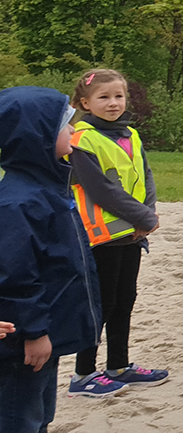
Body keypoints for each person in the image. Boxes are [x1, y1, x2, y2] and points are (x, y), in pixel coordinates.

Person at [0, 86, 101, 432]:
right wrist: (33, 331)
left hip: (49, 329)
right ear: (36, 135)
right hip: (24, 341)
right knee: (18, 417)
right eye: (65, 124)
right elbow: (15, 275)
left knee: (41, 414)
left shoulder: (50, 188)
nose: (73, 130)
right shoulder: (18, 202)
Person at [66, 69, 168, 397]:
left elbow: (145, 176)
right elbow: (101, 189)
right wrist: (142, 217)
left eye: (118, 96)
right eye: (104, 97)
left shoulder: (131, 135)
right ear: (85, 102)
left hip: (132, 233)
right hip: (102, 236)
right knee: (102, 303)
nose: (113, 103)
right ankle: (83, 375)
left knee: (126, 299)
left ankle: (118, 365)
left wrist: (147, 214)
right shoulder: (81, 140)